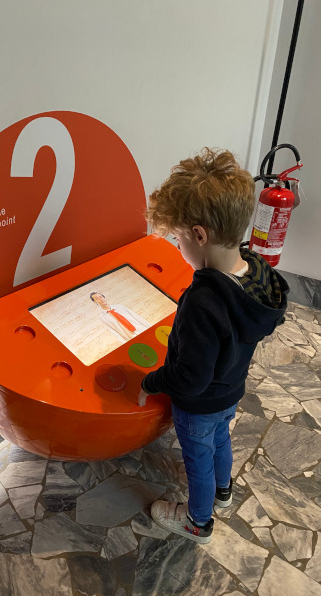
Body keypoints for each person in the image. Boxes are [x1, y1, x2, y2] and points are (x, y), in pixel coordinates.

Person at [138, 147, 288, 544]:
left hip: (199, 404)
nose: (178, 247)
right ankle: (224, 491)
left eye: (177, 238)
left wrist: (152, 381)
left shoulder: (203, 301)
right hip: (231, 389)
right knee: (221, 438)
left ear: (199, 235)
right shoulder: (256, 270)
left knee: (198, 459)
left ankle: (197, 522)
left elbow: (190, 377)